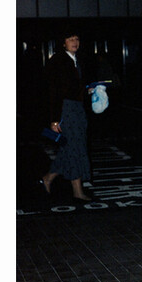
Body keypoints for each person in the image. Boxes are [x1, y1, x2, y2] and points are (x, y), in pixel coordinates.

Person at [41, 31, 94, 202]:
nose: (74, 42)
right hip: (65, 109)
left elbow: (76, 87)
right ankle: (77, 191)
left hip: (78, 109)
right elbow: (53, 92)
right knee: (73, 148)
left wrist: (88, 90)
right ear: (63, 43)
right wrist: (54, 119)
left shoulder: (78, 60)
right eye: (70, 39)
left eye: (77, 38)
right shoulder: (57, 61)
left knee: (74, 147)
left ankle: (49, 177)